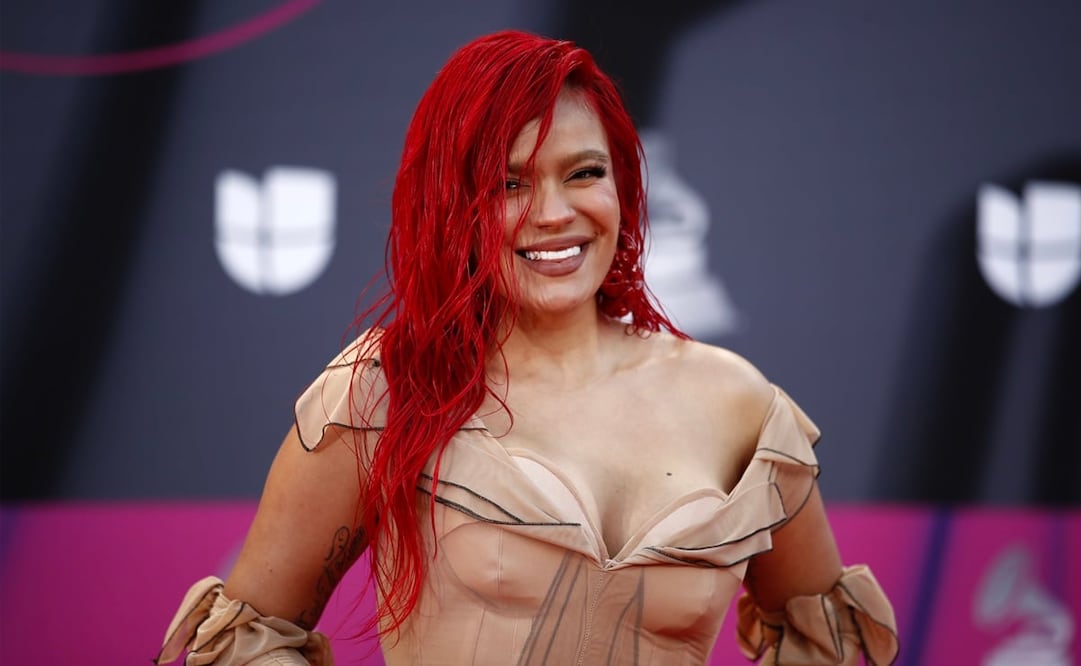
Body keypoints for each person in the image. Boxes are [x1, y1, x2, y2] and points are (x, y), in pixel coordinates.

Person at [155, 30, 899, 666]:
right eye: (507, 184)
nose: (553, 213)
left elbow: (826, 639)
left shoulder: (734, 401)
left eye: (584, 172)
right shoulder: (386, 389)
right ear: (449, 205)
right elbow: (246, 639)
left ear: (624, 186)